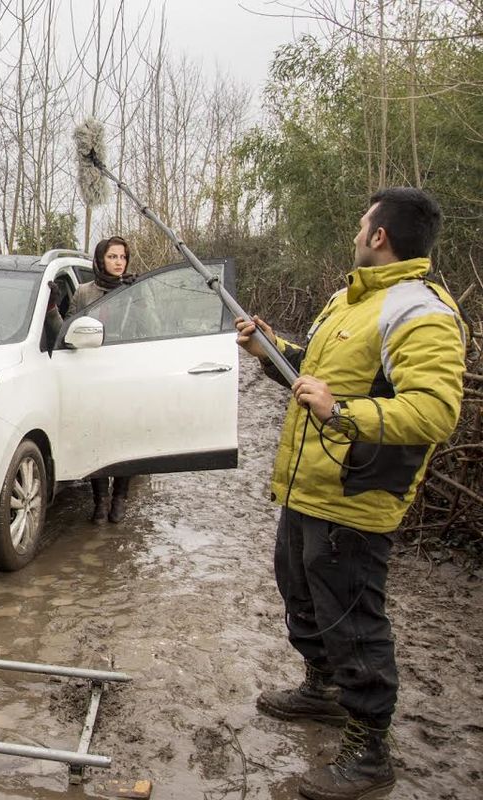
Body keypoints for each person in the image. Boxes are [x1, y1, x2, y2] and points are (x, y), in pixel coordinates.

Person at [235, 187, 466, 800]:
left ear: (379, 236)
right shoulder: (348, 300)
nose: (357, 233)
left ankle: (370, 752)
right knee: (300, 589)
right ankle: (323, 690)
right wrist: (269, 349)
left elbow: (435, 411)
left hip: (356, 493)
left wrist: (343, 412)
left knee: (352, 620)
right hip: (307, 487)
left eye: (362, 224)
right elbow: (309, 366)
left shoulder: (421, 313)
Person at [69, 235, 136, 523]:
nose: (118, 262)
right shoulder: (84, 292)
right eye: (112, 257)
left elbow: (152, 329)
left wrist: (140, 300)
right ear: (99, 260)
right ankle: (100, 501)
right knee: (97, 437)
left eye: (122, 257)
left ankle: (119, 499)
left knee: (125, 437)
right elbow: (68, 329)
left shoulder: (136, 290)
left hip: (126, 374)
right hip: (93, 375)